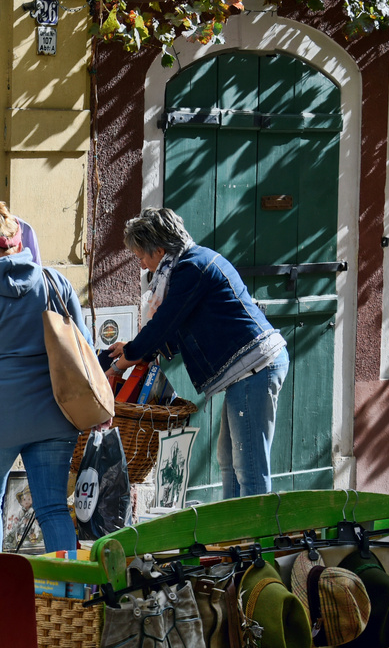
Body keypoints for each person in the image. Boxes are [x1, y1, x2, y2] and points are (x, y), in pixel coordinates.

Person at [107, 207, 289, 500]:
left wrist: (125, 359)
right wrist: (133, 349)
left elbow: (165, 322)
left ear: (160, 249)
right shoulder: (190, 264)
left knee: (250, 466)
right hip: (249, 370)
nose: (141, 263)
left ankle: (256, 541)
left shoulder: (192, 267)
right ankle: (232, 533)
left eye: (141, 254)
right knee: (229, 462)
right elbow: (172, 330)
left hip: (255, 368)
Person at [0, 200, 87, 551]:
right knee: (53, 508)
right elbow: (85, 352)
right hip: (55, 416)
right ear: (19, 243)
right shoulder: (56, 284)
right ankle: (67, 593)